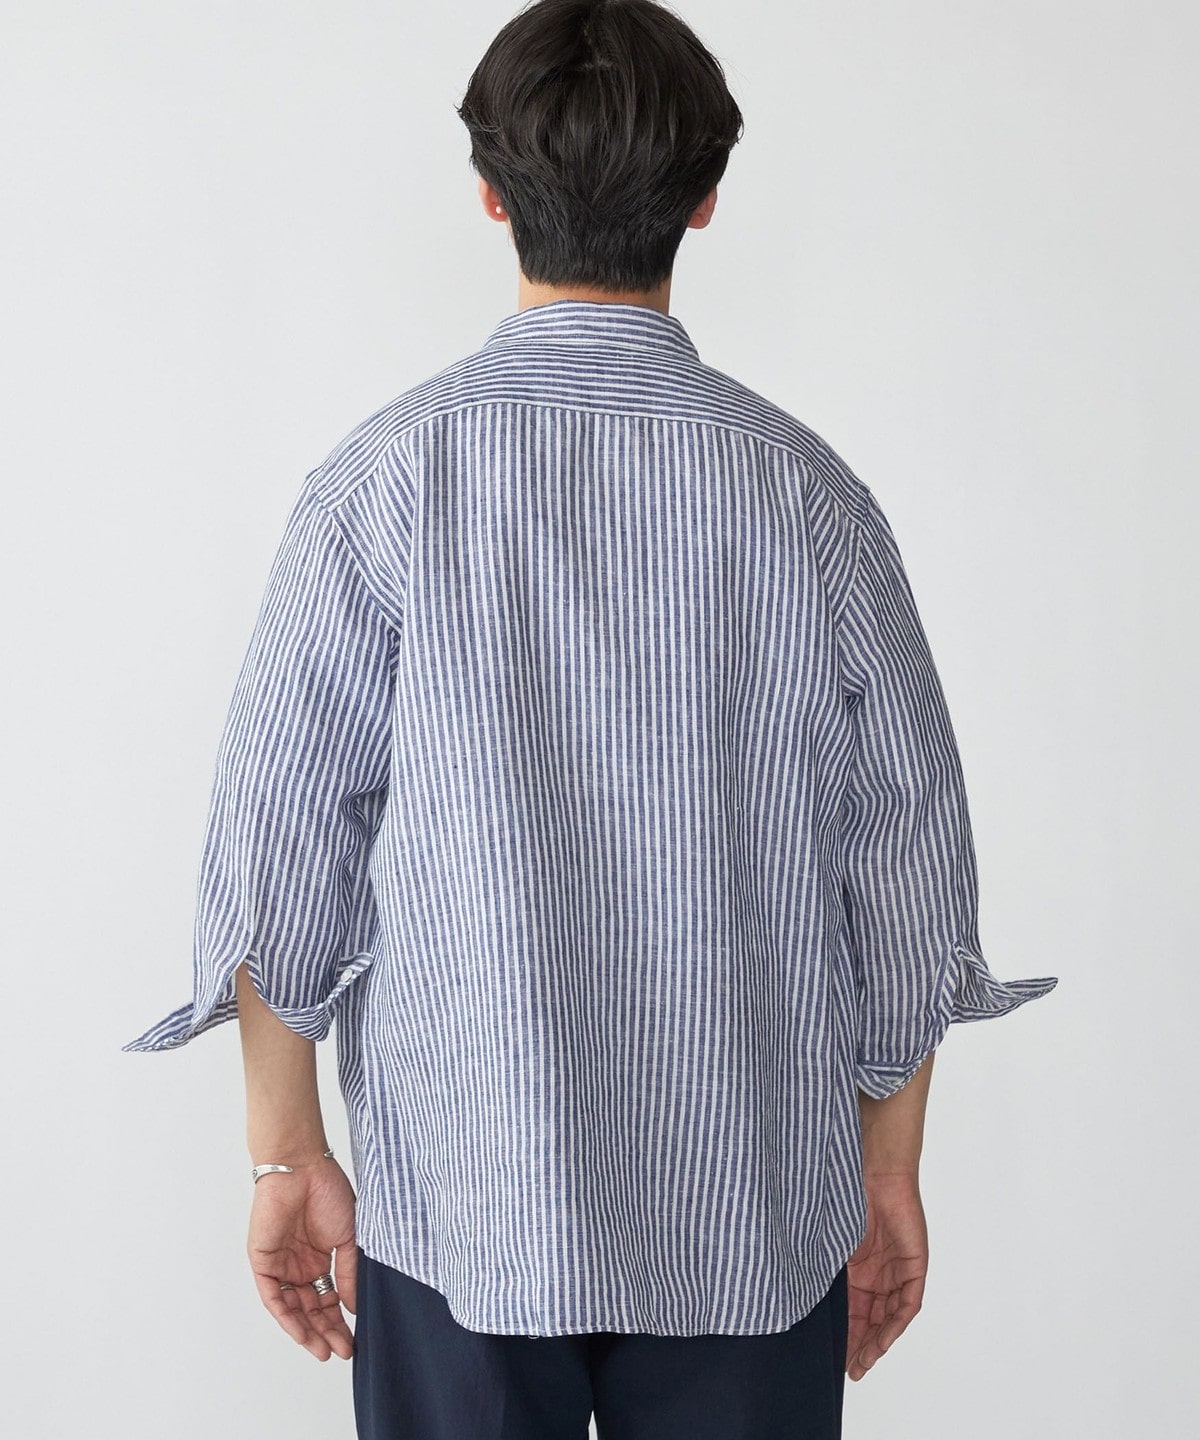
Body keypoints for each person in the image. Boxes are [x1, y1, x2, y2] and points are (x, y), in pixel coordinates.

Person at [123, 2, 1059, 1436]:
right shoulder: (811, 500)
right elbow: (909, 860)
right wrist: (887, 1167)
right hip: (752, 1208)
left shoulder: (382, 484)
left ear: (490, 194)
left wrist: (284, 1153)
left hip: (465, 1206)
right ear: (706, 199)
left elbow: (281, 836)